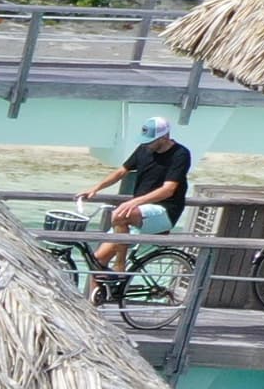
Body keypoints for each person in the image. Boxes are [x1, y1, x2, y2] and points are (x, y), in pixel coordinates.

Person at [83, 115, 195, 282]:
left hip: (165, 210)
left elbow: (168, 190)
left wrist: (134, 201)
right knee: (97, 261)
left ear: (165, 137)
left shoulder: (180, 154)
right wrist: (96, 188)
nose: (147, 144)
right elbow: (121, 171)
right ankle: (94, 303)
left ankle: (120, 267)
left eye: (151, 140)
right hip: (139, 212)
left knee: (120, 214)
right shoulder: (144, 149)